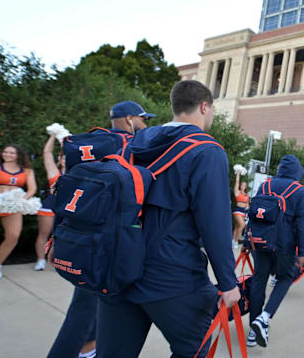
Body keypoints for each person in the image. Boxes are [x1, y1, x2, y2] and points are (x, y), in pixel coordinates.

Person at [95, 80, 240, 358]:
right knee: (194, 350)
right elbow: (214, 224)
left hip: (119, 267)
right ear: (204, 106)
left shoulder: (133, 143)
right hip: (172, 275)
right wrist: (228, 282)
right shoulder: (207, 151)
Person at [46, 100, 154, 358]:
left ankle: (88, 349)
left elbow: (67, 196)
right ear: (129, 119)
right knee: (82, 309)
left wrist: (55, 239)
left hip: (78, 233)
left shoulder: (88, 147)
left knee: (93, 300)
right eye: (142, 119)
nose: (145, 124)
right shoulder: (131, 147)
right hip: (107, 239)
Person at [247, 155, 304, 349]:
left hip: (260, 240)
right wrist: (301, 252)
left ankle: (252, 331)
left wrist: (247, 240)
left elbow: (254, 212)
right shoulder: (300, 191)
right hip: (285, 245)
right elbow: (301, 224)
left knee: (259, 281)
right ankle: (264, 318)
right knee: (285, 278)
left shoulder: (265, 185)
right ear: (298, 172)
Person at [0, 144, 37, 282]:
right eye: (5, 152)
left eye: (12, 153)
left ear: (18, 155)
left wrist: (20, 200)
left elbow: (32, 189)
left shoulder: (27, 171)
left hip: (13, 205)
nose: (8, 154)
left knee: (13, 236)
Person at [35, 135, 65, 271]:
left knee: (65, 235)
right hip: (50, 207)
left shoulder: (78, 171)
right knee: (44, 233)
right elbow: (47, 153)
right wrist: (54, 134)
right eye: (63, 157)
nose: (66, 159)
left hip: (68, 208)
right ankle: (41, 260)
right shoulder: (55, 172)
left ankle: (61, 260)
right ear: (60, 159)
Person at [232, 170, 249, 249]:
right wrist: (238, 173)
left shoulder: (246, 195)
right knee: (242, 225)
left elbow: (247, 203)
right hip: (238, 210)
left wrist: (247, 205)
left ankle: (232, 240)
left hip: (244, 212)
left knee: (237, 226)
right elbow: (237, 182)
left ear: (246, 187)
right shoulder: (237, 192)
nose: (243, 186)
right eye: (242, 184)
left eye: (244, 185)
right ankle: (236, 241)